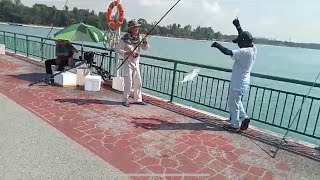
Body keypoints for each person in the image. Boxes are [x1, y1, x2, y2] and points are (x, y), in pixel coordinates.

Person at [211, 18, 257, 131]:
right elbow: (243, 36)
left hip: (238, 82)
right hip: (244, 82)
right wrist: (238, 26)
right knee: (237, 101)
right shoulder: (253, 48)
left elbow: (228, 52)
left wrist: (217, 45)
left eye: (239, 42)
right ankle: (244, 117)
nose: (238, 45)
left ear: (243, 42)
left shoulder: (244, 52)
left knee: (233, 103)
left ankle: (234, 124)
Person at [115, 19, 149, 107]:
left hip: (136, 63)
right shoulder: (124, 39)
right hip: (128, 63)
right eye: (135, 27)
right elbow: (117, 49)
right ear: (131, 28)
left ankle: (138, 99)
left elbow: (145, 48)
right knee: (128, 82)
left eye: (138, 27)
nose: (137, 29)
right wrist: (127, 53)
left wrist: (145, 42)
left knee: (138, 81)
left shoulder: (139, 38)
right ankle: (125, 99)